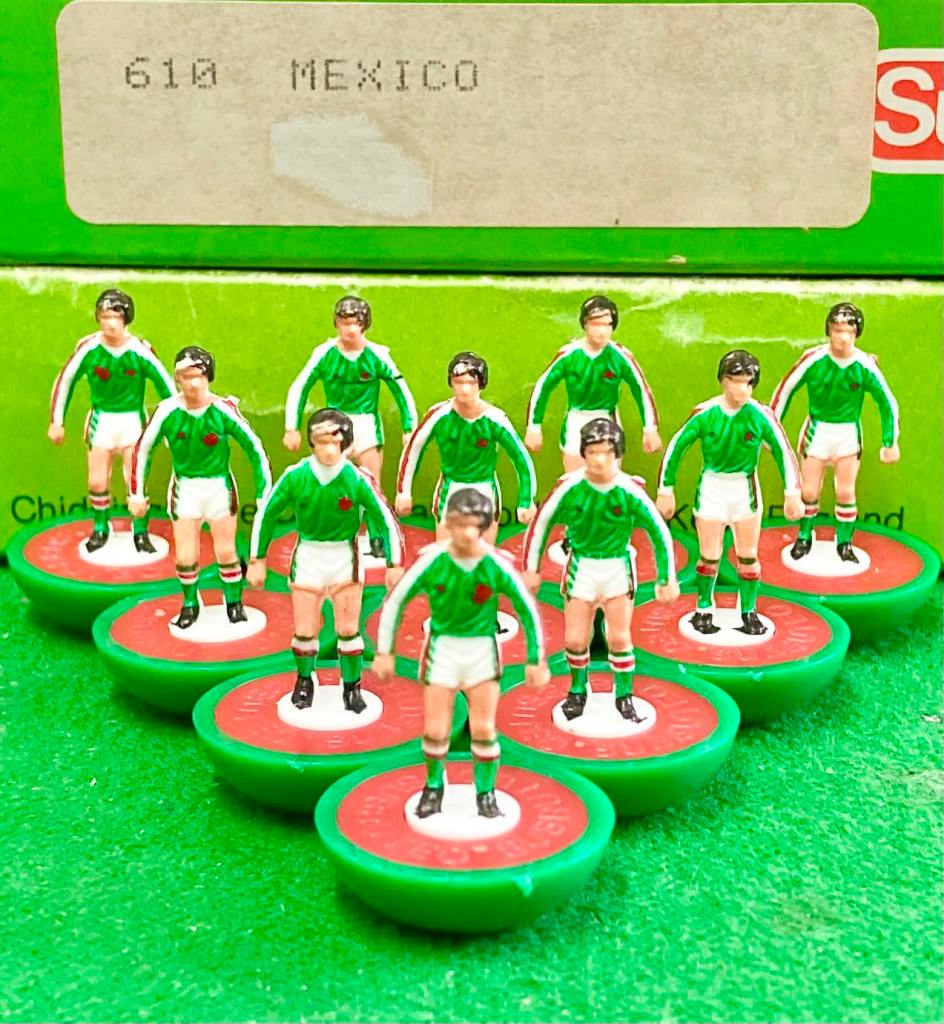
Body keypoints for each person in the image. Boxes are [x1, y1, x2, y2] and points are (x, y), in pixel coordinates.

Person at [373, 488, 549, 819]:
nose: (467, 533)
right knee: (436, 730)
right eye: (460, 524)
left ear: (484, 526)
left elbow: (527, 609)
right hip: (442, 652)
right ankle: (433, 787)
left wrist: (535, 659)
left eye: (474, 525)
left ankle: (485, 793)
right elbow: (396, 601)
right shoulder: (433, 561)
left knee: (483, 729)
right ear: (448, 523)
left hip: (482, 654)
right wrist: (385, 651)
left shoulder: (495, 565)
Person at [247, 409, 404, 712]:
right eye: (321, 442)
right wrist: (257, 559)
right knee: (305, 630)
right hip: (308, 557)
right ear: (311, 442)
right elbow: (267, 513)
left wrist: (394, 563)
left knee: (348, 629)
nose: (329, 449)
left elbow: (385, 518)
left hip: (345, 559)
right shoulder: (296, 476)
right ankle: (305, 681)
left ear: (346, 442)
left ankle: (352, 687)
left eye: (335, 441)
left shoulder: (357, 478)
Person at [523, 419, 679, 722]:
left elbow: (658, 530)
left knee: (619, 638)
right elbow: (541, 524)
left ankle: (624, 696)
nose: (599, 459)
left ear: (617, 453)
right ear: (583, 452)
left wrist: (666, 577)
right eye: (593, 452)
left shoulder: (629, 490)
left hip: (616, 569)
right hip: (581, 568)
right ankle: (577, 691)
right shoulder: (569, 487)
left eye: (607, 452)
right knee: (575, 639)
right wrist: (532, 568)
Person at [657, 350, 804, 635]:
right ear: (723, 380)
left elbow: (783, 451)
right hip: (712, 489)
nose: (742, 389)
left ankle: (748, 611)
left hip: (744, 491)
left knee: (748, 555)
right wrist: (666, 490)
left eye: (748, 383)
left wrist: (792, 492)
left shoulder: (760, 415)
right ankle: (703, 608)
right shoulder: (706, 414)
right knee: (709, 555)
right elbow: (676, 447)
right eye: (736, 381)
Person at [129, 346, 271, 628]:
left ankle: (234, 603)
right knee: (185, 555)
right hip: (185, 490)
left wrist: (263, 491)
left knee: (226, 552)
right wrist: (137, 493)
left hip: (219, 489)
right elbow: (143, 450)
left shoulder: (223, 411)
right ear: (177, 379)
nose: (193, 383)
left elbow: (254, 448)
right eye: (186, 376)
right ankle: (190, 604)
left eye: (199, 376)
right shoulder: (167, 411)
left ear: (209, 377)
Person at [770, 303, 900, 562]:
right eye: (836, 330)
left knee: (845, 492)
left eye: (848, 331)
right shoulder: (813, 359)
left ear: (857, 333)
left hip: (847, 436)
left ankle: (844, 543)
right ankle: (804, 536)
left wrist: (890, 440)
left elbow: (887, 401)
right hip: (817, 432)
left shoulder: (864, 365)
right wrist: (772, 428)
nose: (842, 337)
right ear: (828, 331)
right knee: (809, 492)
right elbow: (785, 390)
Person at [48, 289, 175, 553]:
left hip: (132, 425)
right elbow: (66, 380)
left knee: (135, 482)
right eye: (105, 316)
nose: (110, 323)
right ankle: (101, 528)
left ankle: (140, 532)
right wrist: (57, 421)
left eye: (115, 317)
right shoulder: (89, 349)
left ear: (126, 318)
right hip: (102, 423)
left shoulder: (139, 351)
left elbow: (167, 387)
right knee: (97, 482)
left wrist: (173, 425)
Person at [395, 352, 537, 543]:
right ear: (451, 383)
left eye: (470, 383)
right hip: (450, 489)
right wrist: (403, 492)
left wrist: (526, 500)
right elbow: (414, 449)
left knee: (485, 553)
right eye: (459, 382)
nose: (464, 389)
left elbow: (521, 458)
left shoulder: (495, 419)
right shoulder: (439, 415)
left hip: (485, 489)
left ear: (481, 384)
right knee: (445, 551)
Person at [282, 295, 416, 497]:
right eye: (345, 323)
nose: (351, 329)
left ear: (365, 324)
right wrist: (291, 428)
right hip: (333, 426)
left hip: (367, 426)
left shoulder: (377, 355)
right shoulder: (324, 353)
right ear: (336, 324)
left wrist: (409, 427)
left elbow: (401, 390)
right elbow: (300, 387)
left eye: (356, 323)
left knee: (372, 487)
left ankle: (374, 519)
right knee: (328, 485)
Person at [525, 294, 662, 472]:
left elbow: (640, 389)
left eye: (608, 324)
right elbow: (543, 386)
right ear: (585, 324)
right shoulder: (569, 355)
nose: (602, 331)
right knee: (574, 479)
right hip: (576, 421)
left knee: (609, 478)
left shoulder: (620, 356)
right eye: (596, 324)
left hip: (608, 420)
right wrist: (534, 427)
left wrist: (650, 428)